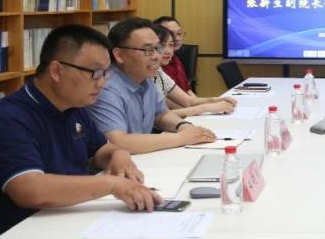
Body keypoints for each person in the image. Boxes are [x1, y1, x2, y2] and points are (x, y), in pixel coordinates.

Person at [0, 25, 161, 239]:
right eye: (95, 72)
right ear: (56, 71)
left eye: (105, 73)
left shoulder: (73, 107)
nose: (102, 82)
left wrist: (118, 154)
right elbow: (30, 190)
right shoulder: (8, 119)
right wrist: (111, 184)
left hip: (57, 225)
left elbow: (99, 150)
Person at [89, 17, 216, 154]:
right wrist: (181, 138)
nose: (157, 56)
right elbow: (118, 142)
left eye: (158, 48)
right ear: (119, 55)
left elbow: (161, 115)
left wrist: (183, 126)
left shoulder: (145, 76)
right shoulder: (105, 87)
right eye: (148, 49)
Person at [151, 24, 236, 117]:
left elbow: (189, 101)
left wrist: (216, 100)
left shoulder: (159, 72)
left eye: (171, 45)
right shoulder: (146, 75)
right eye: (161, 45)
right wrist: (207, 108)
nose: (168, 51)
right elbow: (159, 116)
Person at [153, 15, 194, 94]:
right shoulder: (155, 68)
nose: (176, 38)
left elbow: (187, 91)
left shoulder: (175, 59)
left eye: (179, 33)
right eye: (170, 33)